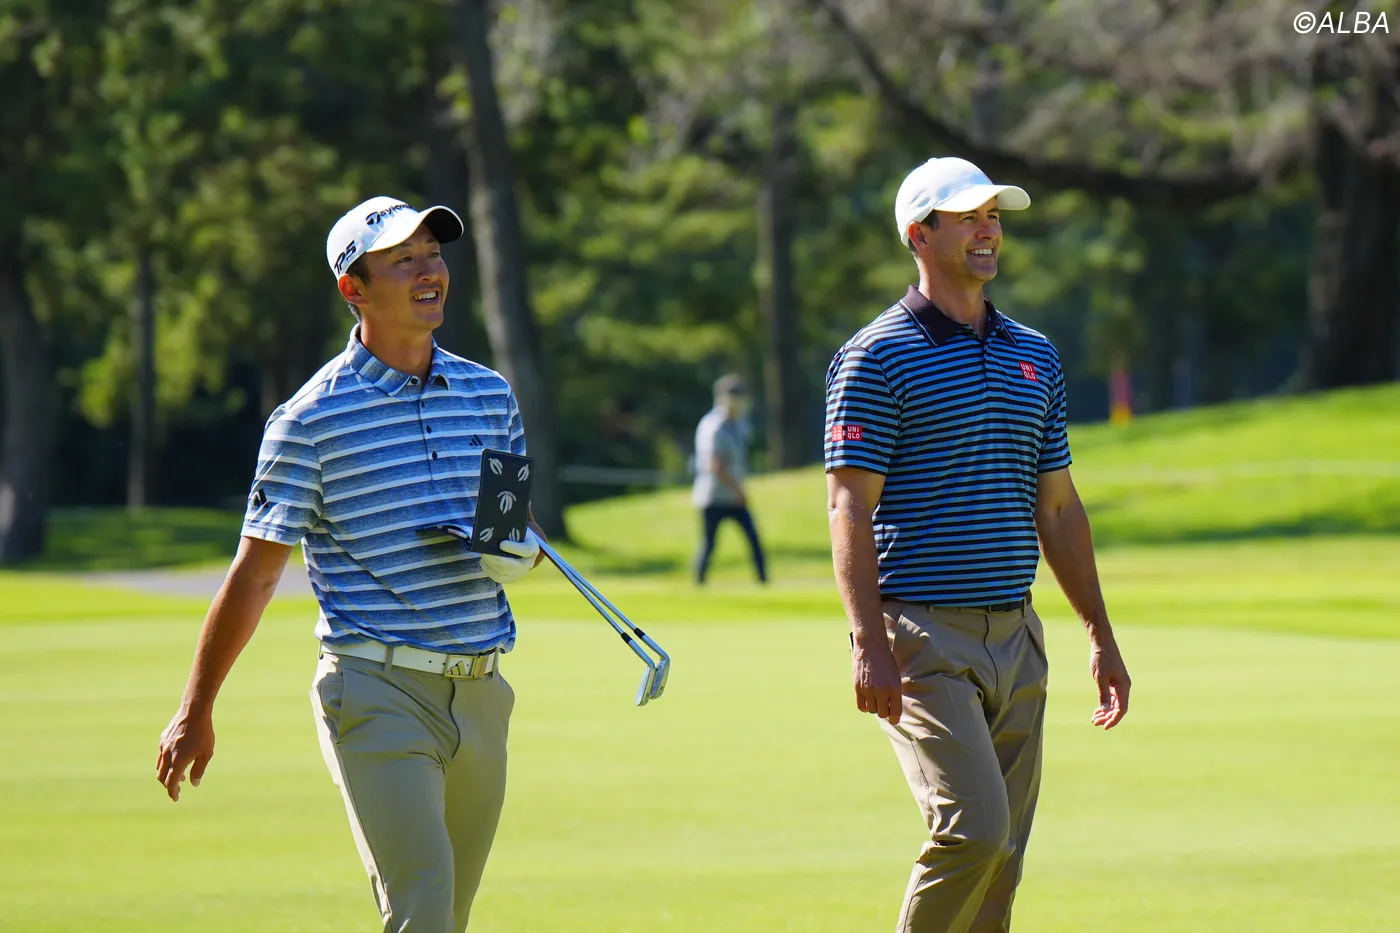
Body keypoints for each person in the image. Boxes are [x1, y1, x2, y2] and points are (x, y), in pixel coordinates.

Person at [156, 196, 546, 933]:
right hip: (375, 689)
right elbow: (256, 573)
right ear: (354, 288)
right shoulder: (310, 420)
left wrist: (519, 544)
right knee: (422, 906)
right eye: (403, 260)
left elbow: (510, 532)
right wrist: (196, 706)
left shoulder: (488, 395)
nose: (429, 271)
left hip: (482, 691)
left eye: (433, 254)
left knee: (449, 914)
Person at [823, 157, 1132, 933]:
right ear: (918, 234)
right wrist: (868, 642)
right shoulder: (876, 356)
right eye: (968, 217)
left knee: (1003, 865)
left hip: (1017, 634)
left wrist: (1099, 634)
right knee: (973, 832)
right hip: (922, 635)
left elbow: (1058, 507)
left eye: (993, 215)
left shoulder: (1036, 354)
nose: (988, 230)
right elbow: (849, 506)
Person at [692, 373, 767, 584]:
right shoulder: (712, 426)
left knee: (754, 541)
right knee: (709, 544)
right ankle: (698, 583)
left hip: (734, 496)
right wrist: (738, 490)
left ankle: (763, 582)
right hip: (713, 496)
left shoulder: (741, 424)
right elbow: (715, 464)